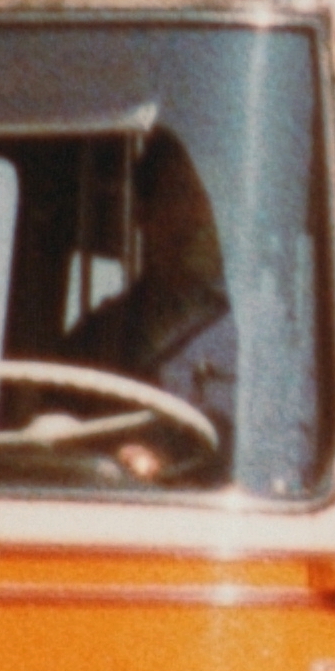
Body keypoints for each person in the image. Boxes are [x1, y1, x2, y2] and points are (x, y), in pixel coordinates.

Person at [57, 131, 237, 444]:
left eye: (213, 196)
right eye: (179, 194)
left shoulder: (261, 338)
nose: (199, 215)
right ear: (143, 212)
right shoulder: (94, 342)